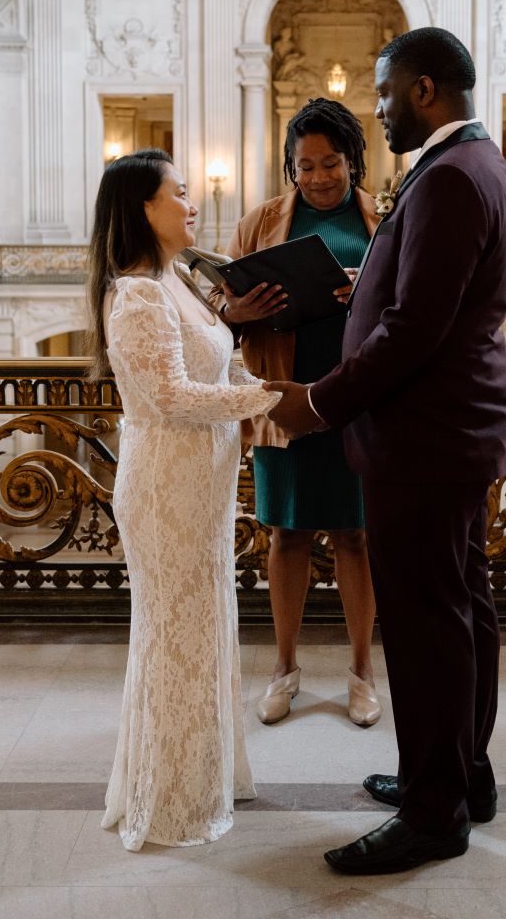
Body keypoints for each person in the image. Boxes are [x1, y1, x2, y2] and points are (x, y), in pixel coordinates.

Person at [265, 28, 506, 874]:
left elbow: (415, 328)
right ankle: (456, 774)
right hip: (450, 428)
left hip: (425, 434)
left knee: (425, 627)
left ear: (422, 90)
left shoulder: (449, 178)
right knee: (460, 610)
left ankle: (434, 814)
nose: (373, 110)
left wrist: (318, 403)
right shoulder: (475, 164)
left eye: (383, 92)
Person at [87, 148, 279, 851]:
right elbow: (168, 396)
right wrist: (267, 399)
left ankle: (199, 775)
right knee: (176, 636)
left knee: (203, 629)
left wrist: (244, 341)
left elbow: (209, 363)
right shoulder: (135, 292)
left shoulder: (177, 281)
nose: (192, 203)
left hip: (202, 479)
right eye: (180, 193)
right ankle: (168, 798)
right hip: (167, 482)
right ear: (144, 207)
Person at [213, 99, 382, 727]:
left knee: (356, 535)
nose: (318, 177)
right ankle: (284, 670)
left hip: (356, 394)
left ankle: (363, 673)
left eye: (330, 163)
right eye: (305, 165)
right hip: (279, 389)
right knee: (284, 533)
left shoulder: (382, 222)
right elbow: (216, 311)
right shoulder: (259, 223)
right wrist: (240, 312)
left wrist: (369, 286)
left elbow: (407, 305)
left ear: (354, 161)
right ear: (290, 166)